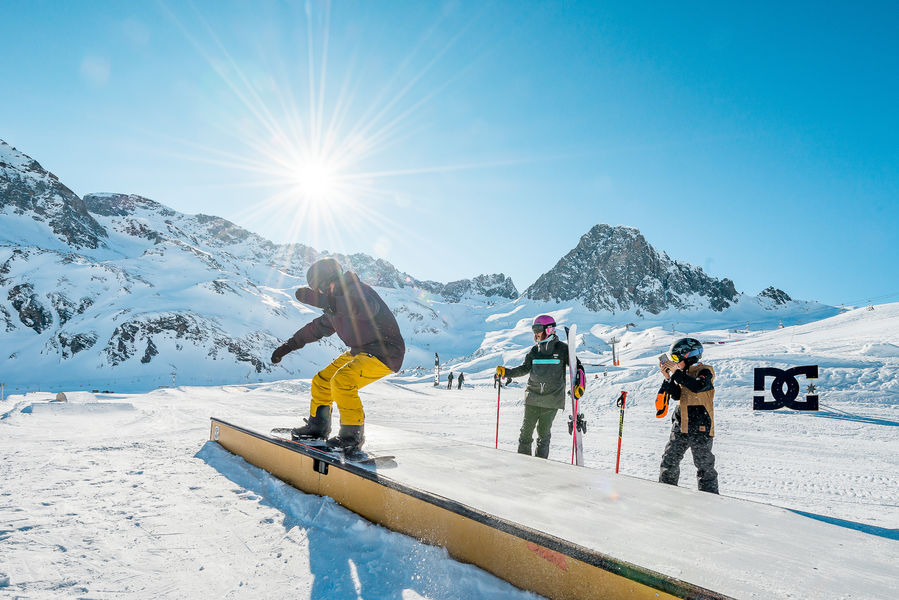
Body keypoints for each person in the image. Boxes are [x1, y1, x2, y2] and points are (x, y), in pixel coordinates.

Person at [270, 257, 405, 452]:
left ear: (328, 281)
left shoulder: (358, 290)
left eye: (320, 289)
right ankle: (318, 427)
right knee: (322, 381)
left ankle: (352, 437)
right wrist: (287, 347)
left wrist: (325, 301)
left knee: (342, 380)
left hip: (385, 351)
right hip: (361, 351)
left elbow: (366, 309)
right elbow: (315, 329)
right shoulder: (335, 307)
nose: (320, 293)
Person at [495, 315, 585, 459]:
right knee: (525, 432)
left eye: (538, 329)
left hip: (552, 399)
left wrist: (580, 384)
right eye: (534, 330)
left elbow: (578, 367)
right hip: (533, 396)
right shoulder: (534, 351)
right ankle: (524, 464)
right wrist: (506, 372)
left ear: (549, 330)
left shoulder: (562, 349)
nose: (535, 333)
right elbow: (524, 368)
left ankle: (540, 467)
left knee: (543, 433)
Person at [657, 337, 719, 493]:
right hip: (681, 423)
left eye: (676, 358)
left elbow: (698, 386)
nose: (674, 362)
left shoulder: (704, 371)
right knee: (669, 460)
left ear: (689, 356)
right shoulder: (682, 373)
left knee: (704, 465)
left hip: (700, 425)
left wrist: (677, 373)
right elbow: (677, 395)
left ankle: (710, 498)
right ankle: (666, 492)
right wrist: (668, 377)